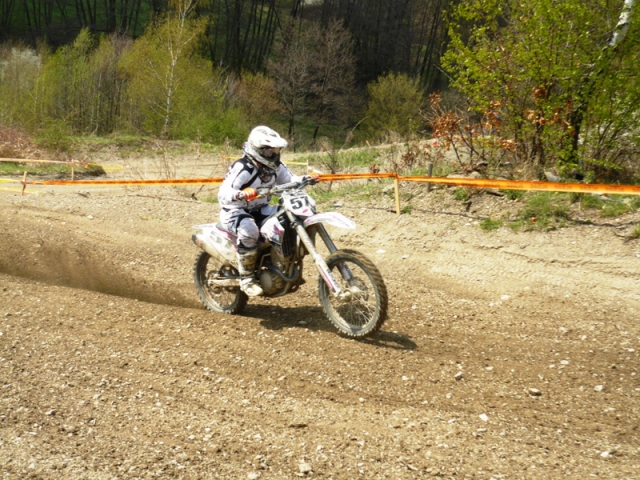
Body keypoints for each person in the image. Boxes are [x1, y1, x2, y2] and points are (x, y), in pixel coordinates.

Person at [218, 126, 316, 297]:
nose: (274, 153)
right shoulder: (244, 167)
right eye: (269, 150)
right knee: (249, 230)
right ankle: (247, 278)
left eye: (276, 149)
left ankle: (285, 261)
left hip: (261, 209)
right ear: (258, 150)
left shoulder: (275, 167)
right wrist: (240, 194)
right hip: (234, 211)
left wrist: (305, 179)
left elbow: (290, 180)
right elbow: (223, 194)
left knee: (288, 217)